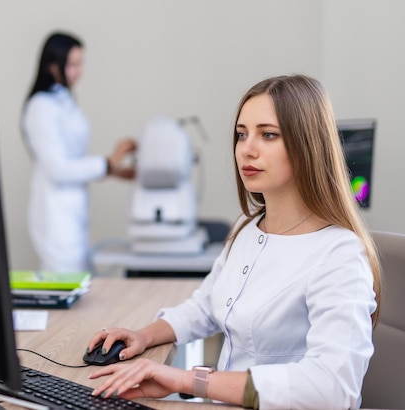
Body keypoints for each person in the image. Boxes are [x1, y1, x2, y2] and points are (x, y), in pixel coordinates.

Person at [86, 74, 382, 409]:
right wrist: (145, 335)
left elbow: (332, 389)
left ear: (307, 145)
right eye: (242, 135)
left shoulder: (338, 255)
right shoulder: (247, 227)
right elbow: (207, 305)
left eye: (268, 135)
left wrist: (188, 380)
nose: (247, 149)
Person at [21, 32, 136, 273]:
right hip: (56, 216)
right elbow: (58, 168)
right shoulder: (41, 106)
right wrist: (109, 161)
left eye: (80, 63)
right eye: (72, 64)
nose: (79, 71)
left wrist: (114, 170)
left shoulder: (65, 100)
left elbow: (75, 161)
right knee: (67, 289)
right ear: (53, 65)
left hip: (73, 213)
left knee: (81, 285)